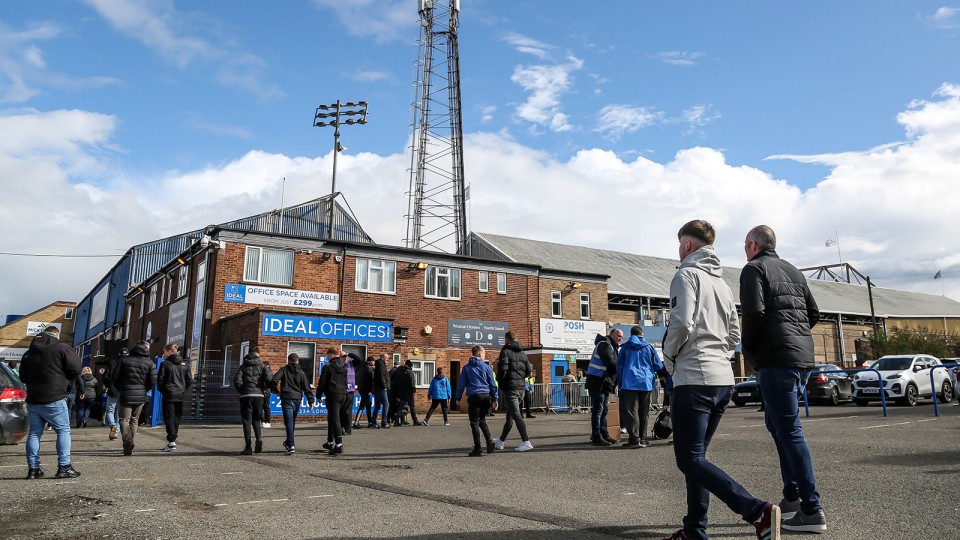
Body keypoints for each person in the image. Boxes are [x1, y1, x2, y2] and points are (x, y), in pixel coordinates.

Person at [661, 219, 779, 540]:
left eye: (679, 243)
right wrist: (717, 355)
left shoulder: (685, 275)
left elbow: (681, 323)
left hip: (693, 378)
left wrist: (669, 357)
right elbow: (734, 335)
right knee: (697, 459)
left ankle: (757, 511)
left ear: (686, 245)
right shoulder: (723, 285)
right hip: (721, 380)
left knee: (689, 459)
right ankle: (694, 531)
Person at [741, 225, 826, 533]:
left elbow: (754, 313)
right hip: (801, 359)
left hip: (776, 360)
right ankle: (792, 496)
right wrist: (798, 336)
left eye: (745, 244)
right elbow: (813, 312)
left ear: (752, 245)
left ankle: (812, 510)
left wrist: (750, 349)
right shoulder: (794, 271)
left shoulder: (754, 269)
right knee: (777, 425)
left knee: (789, 430)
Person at [18, 325, 82, 479]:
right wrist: (66, 379)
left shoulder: (28, 353)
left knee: (34, 434)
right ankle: (64, 467)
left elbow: (22, 377)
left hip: (33, 399)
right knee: (63, 431)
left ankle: (33, 469)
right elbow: (76, 368)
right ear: (56, 334)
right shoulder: (61, 348)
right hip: (54, 397)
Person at [617, 326, 663, 448]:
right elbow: (658, 365)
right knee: (644, 412)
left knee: (631, 411)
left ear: (631, 334)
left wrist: (619, 383)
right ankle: (643, 438)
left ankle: (634, 438)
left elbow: (620, 367)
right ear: (642, 334)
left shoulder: (625, 348)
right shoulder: (649, 347)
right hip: (646, 383)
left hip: (629, 382)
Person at [112, 340, 158, 456]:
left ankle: (127, 442)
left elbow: (115, 376)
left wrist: (120, 388)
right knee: (134, 420)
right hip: (141, 395)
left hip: (126, 393)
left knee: (124, 420)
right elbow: (152, 380)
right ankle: (129, 443)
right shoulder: (150, 363)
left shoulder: (124, 360)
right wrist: (144, 389)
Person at [492, 331, 534, 452]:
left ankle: (526, 441)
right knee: (510, 416)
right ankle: (500, 441)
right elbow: (528, 371)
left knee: (516, 415)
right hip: (521, 387)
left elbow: (502, 369)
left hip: (511, 388)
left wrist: (499, 380)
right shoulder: (523, 353)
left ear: (507, 339)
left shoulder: (505, 351)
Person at [454, 345, 499, 457]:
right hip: (486, 396)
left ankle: (478, 448)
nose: (484, 356)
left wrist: (458, 397)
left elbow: (461, 384)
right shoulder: (486, 367)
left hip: (474, 396)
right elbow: (493, 384)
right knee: (482, 419)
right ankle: (489, 441)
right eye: (484, 354)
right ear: (479, 354)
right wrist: (495, 399)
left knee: (474, 422)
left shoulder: (467, 368)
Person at [272, 353, 316, 455]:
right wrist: (311, 401)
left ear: (288, 360)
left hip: (286, 397)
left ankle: (291, 445)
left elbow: (274, 380)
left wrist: (276, 391)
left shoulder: (283, 370)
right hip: (297, 398)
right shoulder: (301, 373)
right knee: (291, 421)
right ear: (298, 361)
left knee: (289, 422)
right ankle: (288, 442)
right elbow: (306, 387)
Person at [585, 328, 622, 446]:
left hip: (604, 383)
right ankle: (596, 437)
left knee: (604, 410)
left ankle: (604, 434)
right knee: (598, 411)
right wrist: (622, 366)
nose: (620, 338)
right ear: (612, 334)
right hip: (598, 382)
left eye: (621, 337)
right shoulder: (604, 344)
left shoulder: (612, 346)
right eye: (618, 335)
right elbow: (610, 363)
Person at [234, 348, 272, 455]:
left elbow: (237, 380)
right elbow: (269, 379)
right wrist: (264, 388)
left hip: (246, 395)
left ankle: (248, 447)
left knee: (247, 421)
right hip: (259, 395)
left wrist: (242, 390)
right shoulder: (262, 366)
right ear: (257, 356)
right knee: (256, 419)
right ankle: (259, 438)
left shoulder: (243, 367)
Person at [157, 343, 192, 452]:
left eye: (165, 351)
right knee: (177, 417)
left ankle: (171, 441)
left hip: (169, 395)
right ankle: (173, 440)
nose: (164, 354)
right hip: (180, 394)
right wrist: (182, 389)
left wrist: (164, 390)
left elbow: (160, 380)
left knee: (169, 418)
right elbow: (189, 380)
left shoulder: (165, 364)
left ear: (170, 351)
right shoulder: (185, 364)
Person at [319, 349, 350, 455]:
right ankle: (330, 441)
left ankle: (339, 444)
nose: (327, 357)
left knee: (334, 419)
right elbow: (347, 382)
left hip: (333, 395)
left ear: (331, 355)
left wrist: (318, 395)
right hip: (343, 395)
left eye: (327, 355)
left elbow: (322, 383)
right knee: (333, 418)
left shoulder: (328, 367)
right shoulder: (343, 368)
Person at [102, 347, 127, 441]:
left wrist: (109, 385)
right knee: (119, 414)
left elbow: (105, 377)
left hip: (113, 390)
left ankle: (112, 425)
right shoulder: (128, 363)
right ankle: (115, 433)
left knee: (109, 410)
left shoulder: (112, 362)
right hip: (124, 391)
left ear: (119, 354)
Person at [391, 360, 420, 426]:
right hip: (408, 392)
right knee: (412, 406)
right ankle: (415, 420)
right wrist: (413, 390)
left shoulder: (400, 371)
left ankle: (396, 421)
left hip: (401, 391)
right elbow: (412, 382)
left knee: (400, 407)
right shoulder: (409, 372)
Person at [353, 356, 375, 429]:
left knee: (368, 405)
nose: (374, 362)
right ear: (369, 361)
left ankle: (370, 422)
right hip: (366, 390)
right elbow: (370, 380)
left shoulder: (362, 367)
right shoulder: (369, 368)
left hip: (361, 389)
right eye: (373, 361)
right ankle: (356, 422)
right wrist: (370, 390)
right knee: (362, 406)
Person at [370, 353, 391, 429]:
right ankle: (384, 422)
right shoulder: (381, 365)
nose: (387, 359)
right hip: (381, 389)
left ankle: (373, 422)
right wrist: (384, 387)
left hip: (377, 388)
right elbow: (382, 376)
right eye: (386, 357)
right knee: (386, 404)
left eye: (387, 358)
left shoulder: (380, 364)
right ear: (382, 357)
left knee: (377, 406)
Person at [260, 359, 273, 429]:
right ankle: (267, 422)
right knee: (266, 406)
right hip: (267, 390)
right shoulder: (270, 372)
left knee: (262, 406)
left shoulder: (262, 372)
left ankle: (264, 421)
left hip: (263, 390)